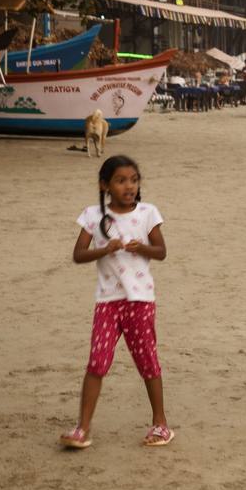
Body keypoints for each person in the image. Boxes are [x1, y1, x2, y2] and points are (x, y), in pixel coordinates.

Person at [59, 156, 171, 449]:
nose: (129, 186)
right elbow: (78, 254)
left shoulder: (147, 213)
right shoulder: (93, 215)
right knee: (97, 362)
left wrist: (141, 247)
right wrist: (104, 249)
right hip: (108, 302)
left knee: (148, 362)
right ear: (104, 185)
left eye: (134, 180)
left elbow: (161, 251)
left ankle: (160, 423)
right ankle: (83, 428)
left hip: (140, 301)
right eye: (120, 181)